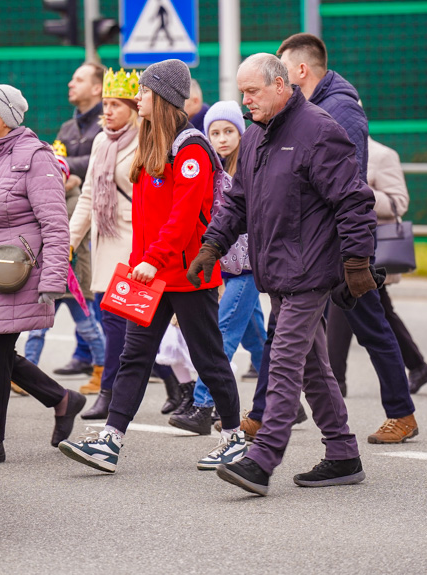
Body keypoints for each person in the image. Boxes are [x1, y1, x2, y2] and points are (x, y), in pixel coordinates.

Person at [190, 53, 374, 496]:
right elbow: (237, 202)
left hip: (311, 272)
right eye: (242, 92)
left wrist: (356, 262)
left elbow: (352, 200)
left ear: (280, 85)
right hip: (278, 272)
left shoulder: (319, 129)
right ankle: (343, 453)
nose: (245, 100)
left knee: (284, 364)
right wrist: (211, 246)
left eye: (252, 91)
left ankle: (262, 459)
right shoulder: (255, 136)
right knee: (312, 367)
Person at [58, 59, 245, 473]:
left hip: (186, 274)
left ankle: (234, 437)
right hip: (152, 272)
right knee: (134, 356)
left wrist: (152, 260)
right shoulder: (150, 144)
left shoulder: (192, 147)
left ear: (160, 97)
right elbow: (149, 219)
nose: (137, 97)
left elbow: (183, 216)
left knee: (208, 357)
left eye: (143, 92)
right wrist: (141, 262)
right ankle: (111, 440)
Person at [278, 33, 419, 443]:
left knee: (372, 326)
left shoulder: (341, 109)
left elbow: (348, 184)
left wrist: (353, 255)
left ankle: (402, 414)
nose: (277, 75)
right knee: (286, 326)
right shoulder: (313, 104)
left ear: (301, 70)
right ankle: (267, 412)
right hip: (314, 239)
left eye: (282, 66)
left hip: (341, 241)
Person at [0, 84, 86, 458]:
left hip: (14, 272)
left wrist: (52, 280)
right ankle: (62, 399)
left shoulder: (35, 156)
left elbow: (55, 224)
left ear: (7, 116)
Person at [169, 100, 267, 434]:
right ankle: (283, 402)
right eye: (215, 132)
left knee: (221, 331)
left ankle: (202, 404)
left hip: (250, 266)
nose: (222, 138)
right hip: (230, 264)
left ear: (241, 133)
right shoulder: (217, 170)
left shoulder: (251, 167)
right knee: (258, 340)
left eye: (229, 131)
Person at [327, 136, 427, 395]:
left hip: (369, 250)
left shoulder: (382, 155)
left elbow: (399, 203)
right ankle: (418, 366)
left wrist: (357, 189)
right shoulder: (328, 150)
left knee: (343, 303)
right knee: (379, 311)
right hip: (339, 246)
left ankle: (336, 381)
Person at [52, 62, 107, 377]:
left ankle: (100, 354)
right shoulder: (67, 128)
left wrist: (68, 168)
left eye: (79, 79)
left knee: (91, 285)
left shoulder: (107, 119)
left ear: (97, 88)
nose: (71, 84)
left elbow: (101, 158)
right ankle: (85, 353)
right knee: (77, 284)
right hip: (74, 214)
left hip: (102, 216)